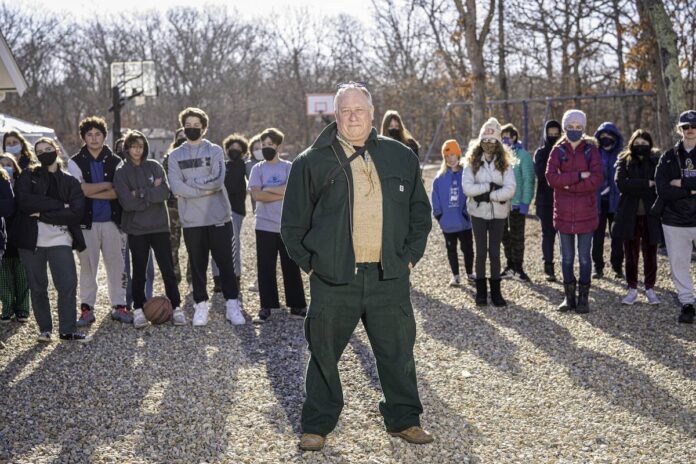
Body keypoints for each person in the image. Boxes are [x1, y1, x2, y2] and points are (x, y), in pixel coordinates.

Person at [282, 82, 433, 451]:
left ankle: (404, 419)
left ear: (372, 113)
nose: (353, 117)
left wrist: (409, 257)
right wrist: (312, 266)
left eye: (359, 110)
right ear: (335, 116)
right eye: (345, 111)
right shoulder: (310, 162)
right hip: (334, 278)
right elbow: (292, 226)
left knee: (398, 351)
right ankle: (317, 425)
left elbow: (420, 213)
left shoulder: (401, 156)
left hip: (388, 276)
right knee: (323, 354)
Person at [167, 107, 244, 326]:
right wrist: (203, 188)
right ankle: (200, 305)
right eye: (188, 125)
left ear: (204, 127)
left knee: (226, 265)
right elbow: (176, 187)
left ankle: (232, 304)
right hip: (192, 221)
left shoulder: (215, 150)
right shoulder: (175, 155)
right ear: (183, 127)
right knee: (197, 265)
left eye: (196, 125)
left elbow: (217, 181)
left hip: (218, 217)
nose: (192, 128)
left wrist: (191, 185)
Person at [12, 138, 90, 342]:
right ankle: (45, 330)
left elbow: (76, 213)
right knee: (38, 288)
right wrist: (60, 205)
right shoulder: (28, 175)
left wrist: (42, 214)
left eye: (48, 149)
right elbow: (25, 202)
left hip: (60, 239)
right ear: (35, 155)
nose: (44, 153)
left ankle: (67, 330)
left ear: (56, 150)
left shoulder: (70, 181)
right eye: (39, 151)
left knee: (67, 285)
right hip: (31, 241)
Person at [114, 130, 185, 328]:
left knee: (167, 269)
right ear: (127, 149)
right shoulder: (121, 173)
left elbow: (164, 193)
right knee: (139, 271)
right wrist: (150, 193)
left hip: (160, 226)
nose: (137, 150)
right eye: (133, 146)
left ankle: (176, 307)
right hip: (137, 229)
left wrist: (139, 193)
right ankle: (138, 309)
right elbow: (127, 203)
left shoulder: (154, 166)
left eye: (140, 146)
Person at [67, 116, 130, 326]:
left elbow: (118, 192)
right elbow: (80, 191)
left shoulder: (116, 161)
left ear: (104, 136)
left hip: (112, 222)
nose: (94, 138)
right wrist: (105, 185)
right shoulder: (75, 161)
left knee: (117, 266)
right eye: (89, 134)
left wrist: (91, 190)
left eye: (98, 134)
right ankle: (87, 309)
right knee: (87, 268)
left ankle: (119, 306)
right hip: (86, 223)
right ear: (83, 137)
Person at [546, 109, 603, 313]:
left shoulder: (591, 150)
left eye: (578, 127)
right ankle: (568, 297)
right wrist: (579, 176)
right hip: (563, 214)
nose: (574, 130)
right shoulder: (557, 151)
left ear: (584, 128)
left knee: (585, 257)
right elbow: (551, 177)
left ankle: (583, 298)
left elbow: (596, 178)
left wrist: (568, 184)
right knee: (567, 258)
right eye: (570, 126)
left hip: (586, 214)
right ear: (564, 128)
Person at [248, 127, 307, 323]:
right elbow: (257, 195)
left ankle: (297, 306)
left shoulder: (289, 167)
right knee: (265, 266)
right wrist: (281, 191)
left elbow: (293, 191)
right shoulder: (257, 169)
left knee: (290, 265)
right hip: (264, 225)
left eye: (270, 144)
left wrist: (268, 188)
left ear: (279, 147)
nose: (266, 148)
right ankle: (266, 306)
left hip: (287, 225)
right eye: (263, 144)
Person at [462, 118, 516, 307]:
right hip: (478, 213)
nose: (489, 143)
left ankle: (496, 291)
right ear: (480, 141)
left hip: (499, 214)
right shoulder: (472, 163)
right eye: (485, 139)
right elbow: (467, 188)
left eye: (493, 140)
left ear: (498, 142)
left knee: (494, 252)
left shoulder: (505, 164)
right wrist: (488, 186)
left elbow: (510, 188)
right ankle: (481, 292)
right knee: (480, 252)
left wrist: (491, 195)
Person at [654, 109, 696, 323]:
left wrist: (682, 183)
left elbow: (672, 187)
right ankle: (687, 304)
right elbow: (662, 189)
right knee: (679, 265)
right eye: (685, 127)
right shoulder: (668, 157)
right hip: (674, 220)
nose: (690, 130)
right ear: (680, 129)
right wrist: (691, 190)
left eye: (694, 126)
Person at [612, 129, 661, 306]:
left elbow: (659, 184)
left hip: (651, 215)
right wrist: (646, 183)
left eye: (644, 143)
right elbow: (621, 184)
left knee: (651, 254)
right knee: (630, 254)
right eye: (637, 143)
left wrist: (635, 185)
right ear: (632, 144)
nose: (640, 146)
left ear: (650, 144)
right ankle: (632, 288)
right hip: (629, 215)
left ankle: (650, 288)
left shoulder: (656, 161)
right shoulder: (623, 160)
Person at [431, 139, 474, 286]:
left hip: (464, 222)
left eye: (452, 155)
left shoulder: (466, 174)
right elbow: (435, 199)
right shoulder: (439, 179)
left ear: (458, 155)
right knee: (451, 250)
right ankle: (455, 275)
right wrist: (439, 216)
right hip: (447, 223)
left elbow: (471, 195)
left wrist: (467, 213)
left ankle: (470, 273)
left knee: (468, 249)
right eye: (447, 156)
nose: (450, 159)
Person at [500, 123, 534, 282]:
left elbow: (529, 180)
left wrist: (525, 202)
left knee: (517, 237)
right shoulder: (499, 156)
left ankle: (518, 268)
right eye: (502, 137)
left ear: (514, 137)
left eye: (507, 137)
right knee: (504, 236)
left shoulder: (523, 156)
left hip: (517, 203)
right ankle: (510, 265)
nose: (505, 140)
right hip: (501, 204)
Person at [592, 122, 625, 278]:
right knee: (597, 236)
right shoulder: (594, 153)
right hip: (598, 202)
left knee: (617, 236)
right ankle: (597, 267)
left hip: (617, 202)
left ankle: (617, 266)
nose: (606, 138)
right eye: (603, 136)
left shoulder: (622, 154)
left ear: (616, 137)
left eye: (610, 135)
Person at [0, 154, 30, 323]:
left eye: (9, 164)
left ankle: (23, 309)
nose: (6, 167)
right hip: (4, 239)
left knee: (22, 278)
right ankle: (7, 308)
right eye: (2, 164)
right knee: (4, 279)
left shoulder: (22, 186)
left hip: (20, 238)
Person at [534, 120, 562, 281]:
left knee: (565, 235)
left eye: (556, 134)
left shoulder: (565, 151)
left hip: (564, 198)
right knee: (548, 234)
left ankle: (566, 266)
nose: (553, 137)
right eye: (550, 134)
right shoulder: (540, 153)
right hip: (545, 200)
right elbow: (541, 175)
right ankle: (549, 266)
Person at [161, 128, 187, 284]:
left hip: (192, 205)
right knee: (172, 243)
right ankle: (175, 277)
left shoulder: (196, 157)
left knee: (194, 245)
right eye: (179, 137)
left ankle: (193, 279)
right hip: (173, 206)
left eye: (185, 136)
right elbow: (165, 181)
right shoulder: (168, 158)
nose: (183, 139)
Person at [222, 133, 249, 285]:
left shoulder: (243, 165)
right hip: (220, 209)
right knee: (219, 245)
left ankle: (236, 275)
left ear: (243, 151)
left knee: (235, 244)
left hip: (236, 210)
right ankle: (219, 278)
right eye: (232, 147)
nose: (234, 150)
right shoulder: (222, 165)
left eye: (238, 148)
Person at [246, 133, 262, 292]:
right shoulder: (250, 165)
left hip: (278, 211)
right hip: (259, 211)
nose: (259, 150)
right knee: (261, 248)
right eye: (255, 148)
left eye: (261, 147)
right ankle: (260, 280)